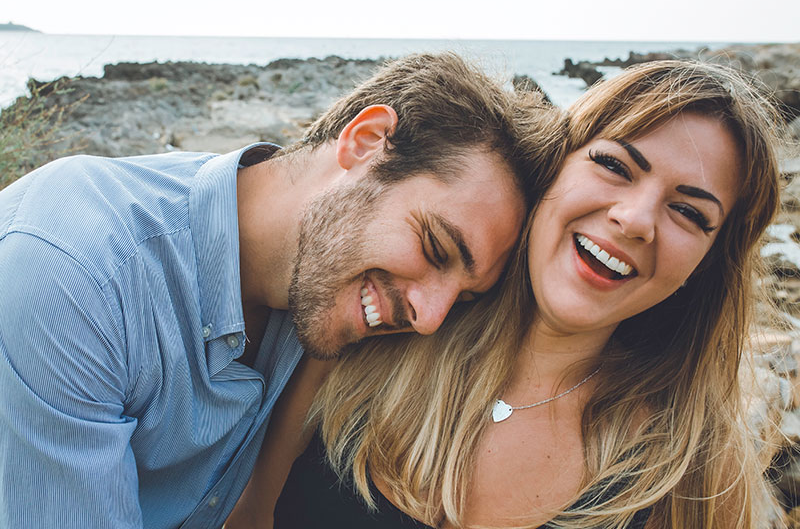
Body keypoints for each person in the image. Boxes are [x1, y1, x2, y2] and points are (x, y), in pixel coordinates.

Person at [0, 53, 558, 528]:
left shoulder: (323, 279)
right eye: (435, 247)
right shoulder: (74, 270)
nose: (430, 317)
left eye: (462, 298)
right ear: (365, 143)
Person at [256, 60, 783, 529]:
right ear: (554, 166)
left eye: (690, 212)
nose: (635, 219)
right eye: (615, 166)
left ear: (706, 265)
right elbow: (248, 514)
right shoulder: (381, 322)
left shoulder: (698, 476)